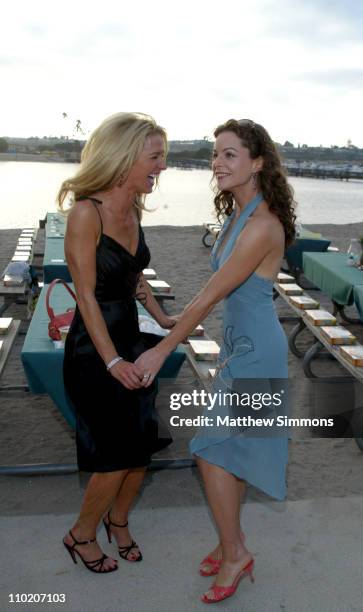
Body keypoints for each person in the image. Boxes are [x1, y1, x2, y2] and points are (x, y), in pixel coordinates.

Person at [134, 118, 297, 602]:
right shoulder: (237, 216)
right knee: (231, 452)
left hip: (256, 354)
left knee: (208, 449)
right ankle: (231, 543)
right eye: (215, 154)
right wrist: (162, 316)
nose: (217, 164)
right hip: (238, 348)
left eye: (230, 155)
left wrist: (164, 348)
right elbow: (215, 296)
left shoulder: (264, 224)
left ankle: (235, 554)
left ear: (258, 163)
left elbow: (212, 293)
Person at [58, 112, 175, 574]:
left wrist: (165, 318)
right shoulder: (87, 212)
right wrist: (110, 362)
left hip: (132, 338)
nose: (162, 166)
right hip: (95, 348)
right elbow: (84, 294)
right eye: (156, 157)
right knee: (113, 456)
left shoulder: (134, 208)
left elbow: (133, 274)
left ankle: (119, 523)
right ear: (125, 157)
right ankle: (80, 534)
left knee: (140, 448)